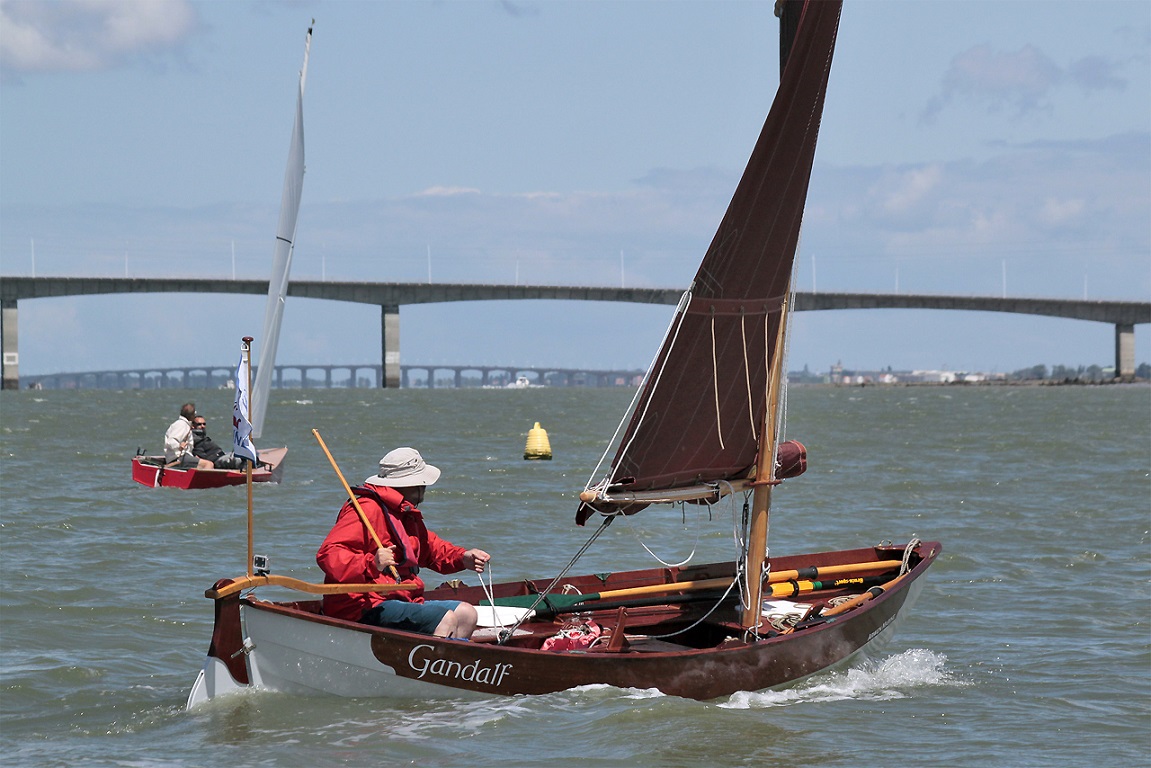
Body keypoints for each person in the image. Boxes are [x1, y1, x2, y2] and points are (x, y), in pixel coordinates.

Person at [316, 447, 490, 639]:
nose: (424, 488)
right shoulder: (366, 509)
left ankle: (448, 663)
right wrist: (371, 563)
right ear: (408, 484)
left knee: (467, 614)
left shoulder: (404, 513)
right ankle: (427, 665)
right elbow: (328, 554)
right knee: (446, 619)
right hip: (363, 606)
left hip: (401, 598)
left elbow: (430, 548)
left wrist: (462, 558)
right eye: (421, 483)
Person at [164, 403, 213, 469]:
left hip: (182, 457)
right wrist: (179, 446)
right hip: (178, 458)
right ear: (191, 415)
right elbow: (171, 441)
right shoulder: (181, 425)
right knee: (208, 464)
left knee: (202, 463)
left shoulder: (182, 424)